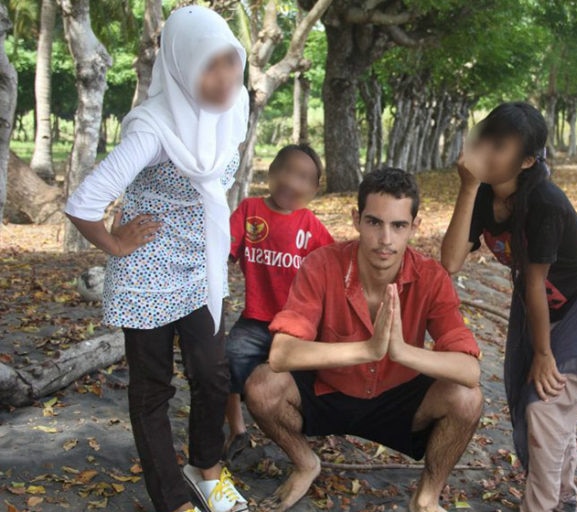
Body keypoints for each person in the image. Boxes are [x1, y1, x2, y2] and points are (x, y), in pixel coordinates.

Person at [65, 6, 249, 512]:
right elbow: (83, 201)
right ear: (182, 66)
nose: (224, 78)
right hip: (146, 272)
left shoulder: (238, 103)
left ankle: (205, 469)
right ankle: (172, 499)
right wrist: (115, 244)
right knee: (152, 388)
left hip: (199, 267)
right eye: (209, 66)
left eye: (230, 62)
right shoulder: (153, 128)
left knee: (213, 373)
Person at [243, 168, 483, 512]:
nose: (386, 238)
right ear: (357, 220)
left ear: (414, 227)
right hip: (329, 392)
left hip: (398, 401)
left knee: (467, 399)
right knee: (262, 384)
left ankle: (427, 496)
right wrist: (368, 349)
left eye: (398, 225)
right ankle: (306, 463)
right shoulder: (321, 264)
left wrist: (400, 351)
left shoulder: (431, 277)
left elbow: (470, 370)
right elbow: (281, 354)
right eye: (374, 222)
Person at [441, 102, 577, 512]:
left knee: (545, 406)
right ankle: (565, 496)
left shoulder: (544, 202)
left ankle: (544, 504)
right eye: (485, 139)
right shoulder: (481, 193)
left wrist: (544, 353)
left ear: (528, 160)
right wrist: (467, 188)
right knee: (524, 395)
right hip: (532, 298)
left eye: (501, 146)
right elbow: (450, 262)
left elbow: (536, 282)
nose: (486, 151)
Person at [223, 144, 334, 461]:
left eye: (303, 178)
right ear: (271, 172)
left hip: (298, 324)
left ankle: (304, 430)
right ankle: (237, 429)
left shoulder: (311, 227)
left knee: (308, 377)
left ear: (313, 190)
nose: (292, 182)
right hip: (256, 319)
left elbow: (335, 268)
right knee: (226, 362)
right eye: (286, 170)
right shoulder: (249, 210)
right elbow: (224, 253)